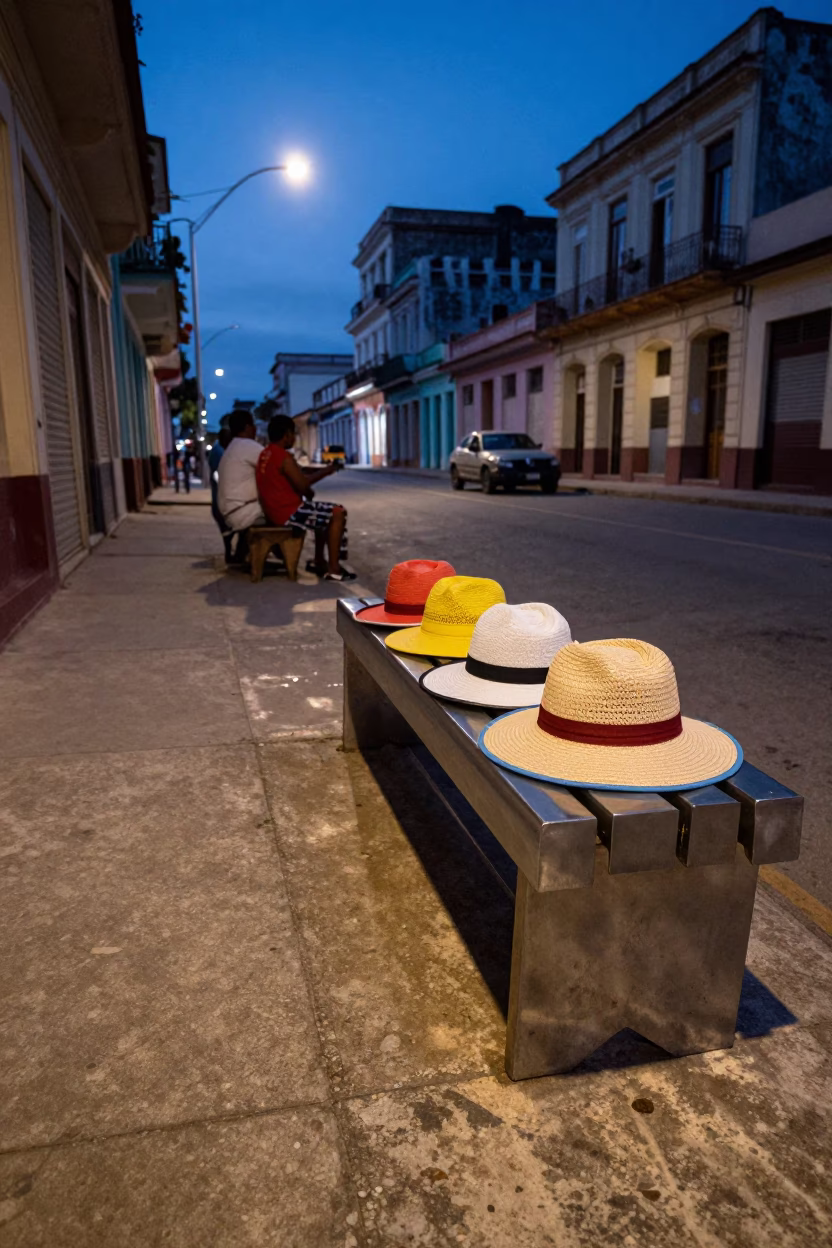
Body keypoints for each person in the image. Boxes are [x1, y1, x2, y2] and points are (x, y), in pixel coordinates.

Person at [257, 414, 355, 581]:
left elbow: (297, 477)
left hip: (274, 510)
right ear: (287, 434)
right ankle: (334, 569)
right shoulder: (283, 457)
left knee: (322, 514)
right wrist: (324, 473)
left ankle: (319, 561)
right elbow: (303, 485)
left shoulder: (266, 453)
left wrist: (318, 476)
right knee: (337, 512)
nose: (294, 437)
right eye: (293, 434)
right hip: (287, 513)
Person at [217, 410, 266, 549]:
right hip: (244, 512)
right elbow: (276, 468)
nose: (256, 428)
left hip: (231, 511)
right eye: (253, 424)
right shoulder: (248, 446)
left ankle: (250, 554)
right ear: (247, 427)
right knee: (288, 514)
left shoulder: (234, 446)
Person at [209, 427, 233, 562]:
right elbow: (220, 475)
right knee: (228, 529)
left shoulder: (218, 450)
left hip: (219, 498)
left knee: (227, 530)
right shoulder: (219, 452)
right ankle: (230, 554)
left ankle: (230, 553)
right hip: (220, 499)